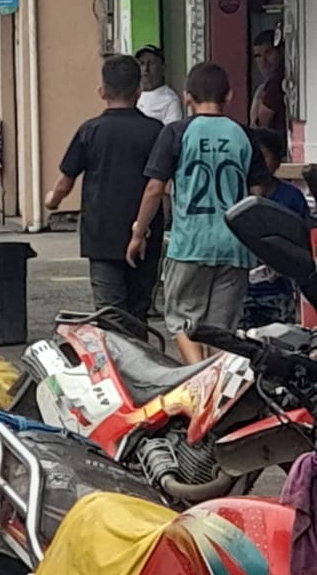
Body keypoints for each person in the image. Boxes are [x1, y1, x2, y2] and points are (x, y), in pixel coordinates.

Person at [128, 62, 275, 363]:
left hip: (190, 245)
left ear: (187, 97)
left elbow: (155, 188)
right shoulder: (243, 135)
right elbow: (257, 192)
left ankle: (197, 377)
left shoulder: (176, 133)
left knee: (181, 320)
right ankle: (219, 386)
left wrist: (139, 232)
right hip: (235, 247)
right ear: (229, 96)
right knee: (222, 330)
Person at [45, 55, 164, 332]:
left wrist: (53, 200)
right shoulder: (155, 131)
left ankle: (115, 356)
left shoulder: (90, 131)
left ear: (102, 92)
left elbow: (66, 180)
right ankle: (140, 356)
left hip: (101, 233)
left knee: (109, 312)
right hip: (146, 231)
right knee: (139, 309)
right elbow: (161, 183)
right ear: (139, 91)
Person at [243, 128, 310, 327]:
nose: (257, 164)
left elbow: (302, 241)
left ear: (278, 161)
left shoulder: (291, 197)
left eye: (263, 157)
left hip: (278, 292)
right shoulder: (236, 194)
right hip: (240, 290)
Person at [135, 45, 184, 125]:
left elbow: (172, 130)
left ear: (163, 68)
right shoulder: (131, 94)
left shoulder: (170, 100)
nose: (145, 68)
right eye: (142, 63)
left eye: (152, 63)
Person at [251, 29, 287, 132]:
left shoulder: (276, 83)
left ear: (281, 51)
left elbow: (260, 123)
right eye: (258, 56)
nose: (263, 61)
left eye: (268, 52)